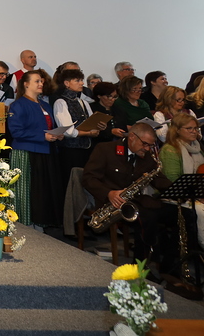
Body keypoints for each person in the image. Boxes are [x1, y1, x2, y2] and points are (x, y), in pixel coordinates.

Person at [83, 123, 185, 286]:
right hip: (112, 202)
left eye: (150, 145)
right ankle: (140, 267)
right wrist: (109, 193)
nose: (147, 149)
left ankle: (170, 268)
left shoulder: (146, 156)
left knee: (181, 214)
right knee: (148, 218)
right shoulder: (105, 149)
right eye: (145, 144)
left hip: (136, 202)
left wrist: (180, 190)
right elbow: (88, 178)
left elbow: (158, 179)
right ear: (132, 137)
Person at [8, 70, 64, 228]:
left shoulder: (45, 105)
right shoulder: (18, 105)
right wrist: (43, 136)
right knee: (27, 190)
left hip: (46, 151)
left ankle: (41, 221)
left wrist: (57, 134)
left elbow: (49, 126)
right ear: (26, 84)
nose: (41, 84)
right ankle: (25, 223)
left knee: (43, 190)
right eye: (37, 81)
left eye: (41, 81)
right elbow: (16, 132)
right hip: (27, 152)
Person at [53, 68, 106, 188]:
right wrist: (88, 133)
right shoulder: (61, 102)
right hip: (70, 151)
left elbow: (92, 122)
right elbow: (67, 131)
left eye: (81, 80)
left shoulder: (83, 102)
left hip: (87, 148)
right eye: (77, 80)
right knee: (72, 184)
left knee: (86, 181)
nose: (81, 83)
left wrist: (100, 126)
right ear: (67, 83)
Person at [159, 112, 204, 249]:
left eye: (195, 128)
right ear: (177, 130)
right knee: (200, 210)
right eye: (189, 128)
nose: (194, 131)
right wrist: (197, 195)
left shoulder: (198, 147)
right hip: (174, 197)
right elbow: (172, 180)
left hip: (196, 194)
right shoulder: (170, 149)